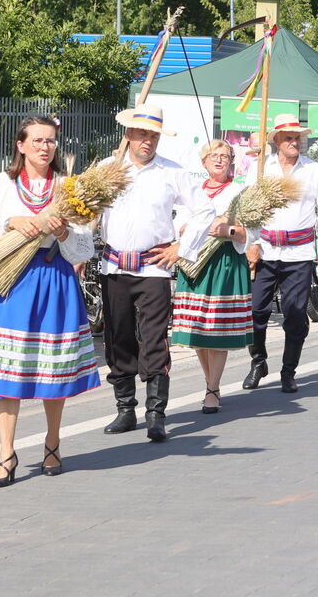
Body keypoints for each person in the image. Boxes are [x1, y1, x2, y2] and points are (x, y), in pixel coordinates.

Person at [0, 116, 99, 487]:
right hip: (10, 281)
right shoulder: (2, 184)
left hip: (53, 279)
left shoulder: (68, 187)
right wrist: (12, 221)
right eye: (38, 140)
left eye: (51, 141)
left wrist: (62, 234)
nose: (46, 147)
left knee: (51, 368)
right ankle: (6, 453)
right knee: (6, 373)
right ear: (21, 145)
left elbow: (83, 248)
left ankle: (52, 443)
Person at [99, 105, 213, 442]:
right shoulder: (109, 169)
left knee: (154, 339)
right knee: (118, 336)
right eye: (142, 134)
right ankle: (125, 409)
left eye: (153, 135)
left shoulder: (172, 172)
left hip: (155, 268)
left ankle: (155, 414)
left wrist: (182, 247)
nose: (148, 141)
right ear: (129, 135)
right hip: (115, 265)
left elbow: (205, 210)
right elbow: (82, 206)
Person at [242, 114, 318, 394]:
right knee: (254, 312)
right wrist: (251, 241)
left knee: (296, 315)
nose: (295, 142)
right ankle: (258, 361)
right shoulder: (261, 168)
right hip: (265, 249)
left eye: (298, 137)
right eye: (289, 138)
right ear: (276, 141)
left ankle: (288, 371)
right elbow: (248, 208)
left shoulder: (314, 170)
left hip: (299, 253)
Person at [170, 140, 253, 414]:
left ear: (232, 161)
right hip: (194, 262)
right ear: (204, 162)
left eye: (225, 156)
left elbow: (253, 232)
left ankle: (213, 388)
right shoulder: (193, 191)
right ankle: (210, 381)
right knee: (197, 329)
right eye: (213, 156)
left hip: (225, 262)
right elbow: (178, 222)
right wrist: (186, 229)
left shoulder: (241, 192)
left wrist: (228, 230)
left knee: (216, 328)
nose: (219, 160)